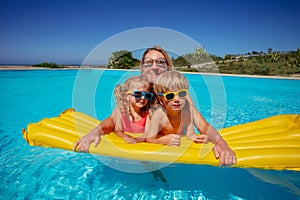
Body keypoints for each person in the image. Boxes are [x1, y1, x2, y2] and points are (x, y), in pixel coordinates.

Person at [73, 46, 236, 166]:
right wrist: (94, 132)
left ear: (168, 67)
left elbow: (202, 124)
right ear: (142, 68)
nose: (154, 66)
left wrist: (221, 144)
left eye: (160, 62)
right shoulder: (138, 92)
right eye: (148, 62)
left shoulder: (178, 94)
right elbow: (114, 119)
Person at [146, 71, 209, 146]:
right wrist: (164, 140)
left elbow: (190, 135)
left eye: (181, 94)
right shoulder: (159, 115)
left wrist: (199, 139)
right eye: (170, 96)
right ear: (161, 100)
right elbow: (149, 139)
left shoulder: (186, 110)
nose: (177, 99)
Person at [113, 75, 154, 144]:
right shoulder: (120, 111)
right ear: (127, 96)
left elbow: (147, 133)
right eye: (138, 94)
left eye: (147, 95)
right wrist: (126, 137)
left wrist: (137, 140)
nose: (143, 98)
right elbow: (118, 131)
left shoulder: (148, 114)